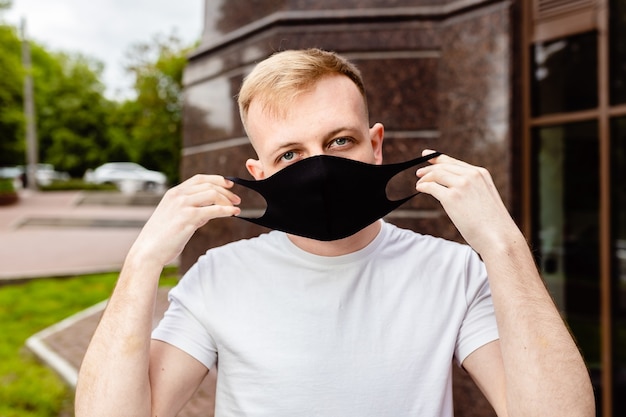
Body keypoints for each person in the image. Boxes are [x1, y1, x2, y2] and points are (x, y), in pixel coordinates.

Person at [75, 48, 595, 416]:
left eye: (340, 140)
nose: (319, 168)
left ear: (376, 145)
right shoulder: (218, 278)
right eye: (290, 154)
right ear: (260, 174)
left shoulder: (452, 271)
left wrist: (502, 244)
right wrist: (142, 260)